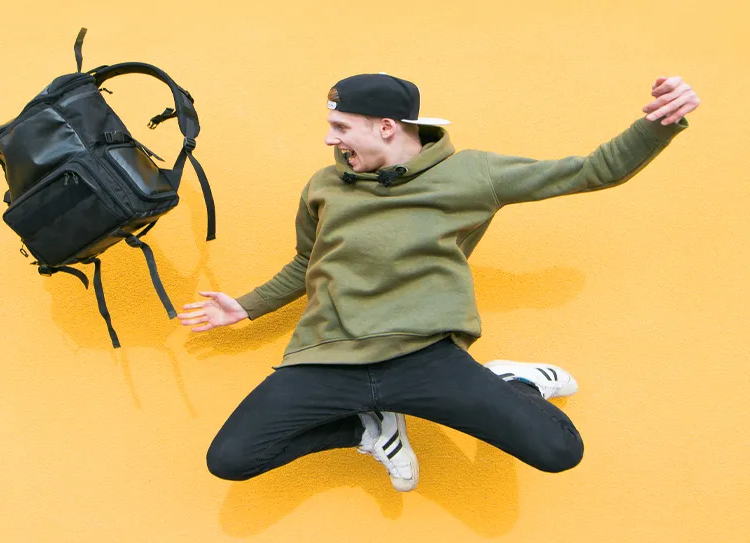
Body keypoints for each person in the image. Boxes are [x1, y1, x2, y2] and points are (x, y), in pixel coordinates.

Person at [178, 72, 700, 491]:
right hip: (326, 358)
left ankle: (515, 385)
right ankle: (367, 428)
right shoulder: (324, 185)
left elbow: (592, 171)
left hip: (424, 357)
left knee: (559, 452)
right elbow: (305, 261)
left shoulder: (472, 174)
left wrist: (658, 125)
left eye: (340, 127)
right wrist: (247, 306)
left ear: (385, 126)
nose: (329, 138)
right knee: (232, 460)